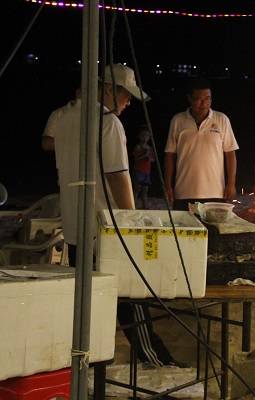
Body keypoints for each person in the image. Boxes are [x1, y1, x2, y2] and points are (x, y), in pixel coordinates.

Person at [53, 63, 182, 368]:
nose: (128, 103)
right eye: (126, 96)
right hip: (104, 229)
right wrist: (133, 224)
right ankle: (155, 359)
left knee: (89, 300)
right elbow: (118, 177)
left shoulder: (65, 117)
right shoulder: (108, 123)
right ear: (110, 89)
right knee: (130, 296)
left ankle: (93, 363)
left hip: (74, 226)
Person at [164, 78, 238, 210]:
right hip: (184, 191)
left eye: (207, 98)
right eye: (198, 99)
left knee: (213, 230)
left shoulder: (221, 119)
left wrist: (231, 184)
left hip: (215, 191)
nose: (203, 103)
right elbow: (170, 155)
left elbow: (230, 154)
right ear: (189, 99)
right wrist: (168, 185)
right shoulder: (178, 120)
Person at [132, 125, 155, 209]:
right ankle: (132, 205)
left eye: (147, 136)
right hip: (139, 171)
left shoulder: (149, 148)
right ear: (139, 136)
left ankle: (145, 206)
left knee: (145, 190)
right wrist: (145, 155)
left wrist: (149, 157)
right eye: (143, 135)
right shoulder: (138, 147)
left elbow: (152, 159)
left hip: (146, 172)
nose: (145, 138)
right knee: (137, 189)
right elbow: (135, 158)